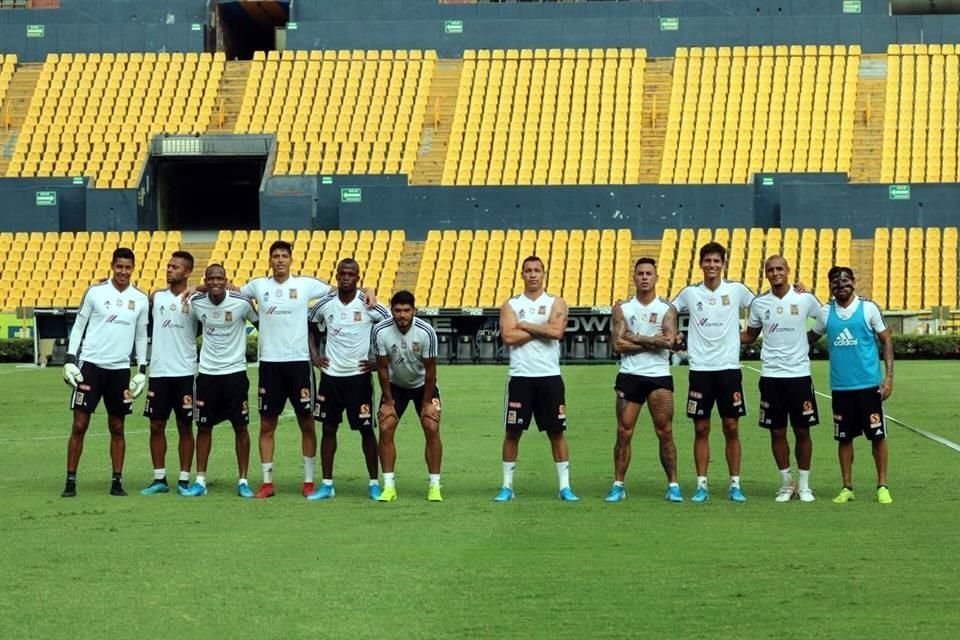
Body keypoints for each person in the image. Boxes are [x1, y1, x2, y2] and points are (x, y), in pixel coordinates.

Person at [61, 247, 149, 497]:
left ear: (133, 268)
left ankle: (117, 480)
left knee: (117, 426)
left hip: (120, 369)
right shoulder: (95, 292)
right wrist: (70, 359)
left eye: (128, 267)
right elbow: (79, 326)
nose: (123, 271)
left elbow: (142, 335)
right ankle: (70, 480)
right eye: (119, 266)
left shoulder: (140, 298)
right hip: (90, 365)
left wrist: (141, 369)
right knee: (79, 424)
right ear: (112, 265)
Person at [672, 242, 755, 503]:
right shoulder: (689, 293)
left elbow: (764, 306)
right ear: (701, 264)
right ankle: (702, 485)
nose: (711, 265)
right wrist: (672, 332)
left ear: (723, 264)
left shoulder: (737, 290)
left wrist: (750, 334)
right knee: (701, 428)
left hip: (729, 369)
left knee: (731, 426)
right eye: (707, 261)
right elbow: (669, 309)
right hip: (701, 370)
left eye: (716, 261)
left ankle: (735, 484)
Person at [809, 266, 894, 505]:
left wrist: (888, 379)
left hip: (869, 386)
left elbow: (886, 340)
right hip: (841, 388)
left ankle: (882, 486)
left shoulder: (868, 308)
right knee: (844, 438)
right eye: (835, 282)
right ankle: (847, 487)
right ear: (830, 287)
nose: (841, 285)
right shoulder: (826, 314)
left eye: (845, 281)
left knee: (877, 436)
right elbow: (809, 338)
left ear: (853, 282)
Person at [494, 256, 577, 502]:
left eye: (537, 270)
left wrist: (527, 325)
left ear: (544, 274)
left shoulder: (556, 302)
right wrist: (542, 329)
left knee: (556, 432)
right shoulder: (511, 304)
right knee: (512, 432)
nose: (532, 274)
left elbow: (557, 332)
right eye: (528, 270)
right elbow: (508, 337)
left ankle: (565, 487)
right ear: (522, 274)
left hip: (549, 377)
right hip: (520, 377)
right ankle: (507, 487)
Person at [306, 259, 389, 501]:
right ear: (337, 275)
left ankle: (374, 483)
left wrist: (378, 362)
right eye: (342, 273)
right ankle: (327, 484)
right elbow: (309, 325)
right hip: (331, 377)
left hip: (359, 378)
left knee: (365, 431)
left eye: (350, 274)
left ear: (358, 277)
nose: (345, 277)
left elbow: (391, 327)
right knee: (329, 428)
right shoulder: (325, 304)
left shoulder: (369, 304)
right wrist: (314, 355)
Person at [741, 256, 822, 503]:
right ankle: (787, 484)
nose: (775, 273)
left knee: (802, 430)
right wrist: (717, 335)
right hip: (771, 376)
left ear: (788, 271)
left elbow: (826, 320)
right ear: (766, 274)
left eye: (779, 269)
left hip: (798, 375)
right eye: (770, 270)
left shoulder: (804, 298)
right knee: (777, 431)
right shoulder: (759, 303)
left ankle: (805, 485)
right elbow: (750, 335)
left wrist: (809, 338)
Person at [606, 257, 683, 503]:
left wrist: (635, 337)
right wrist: (652, 341)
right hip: (630, 375)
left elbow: (669, 342)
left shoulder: (666, 308)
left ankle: (673, 485)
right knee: (623, 432)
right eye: (640, 274)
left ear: (656, 277)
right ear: (634, 277)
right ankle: (618, 485)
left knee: (665, 432)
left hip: (658, 376)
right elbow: (618, 344)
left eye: (649, 273)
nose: (644, 277)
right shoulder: (623, 308)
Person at [182, 264, 259, 497]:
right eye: (211, 279)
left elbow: (261, 324)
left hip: (234, 374)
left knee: (241, 427)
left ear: (226, 280)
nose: (216, 282)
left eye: (220, 279)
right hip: (207, 375)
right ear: (206, 281)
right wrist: (194, 288)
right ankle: (201, 481)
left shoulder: (242, 303)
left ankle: (243, 481)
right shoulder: (196, 302)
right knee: (203, 427)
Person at [372, 290, 443, 502]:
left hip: (423, 384)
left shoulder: (426, 332)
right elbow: (383, 369)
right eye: (397, 310)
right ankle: (389, 486)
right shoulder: (380, 331)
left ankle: (435, 485)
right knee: (385, 426)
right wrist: (388, 401)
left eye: (406, 310)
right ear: (391, 311)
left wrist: (428, 403)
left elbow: (431, 371)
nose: (402, 315)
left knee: (431, 426)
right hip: (395, 385)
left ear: (414, 311)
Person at [140, 251, 198, 496]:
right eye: (168, 266)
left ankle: (184, 479)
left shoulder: (197, 300)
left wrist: (197, 288)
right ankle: (159, 478)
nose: (169, 269)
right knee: (156, 425)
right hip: (160, 372)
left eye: (175, 267)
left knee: (185, 426)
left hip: (185, 372)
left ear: (186, 272)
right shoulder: (156, 297)